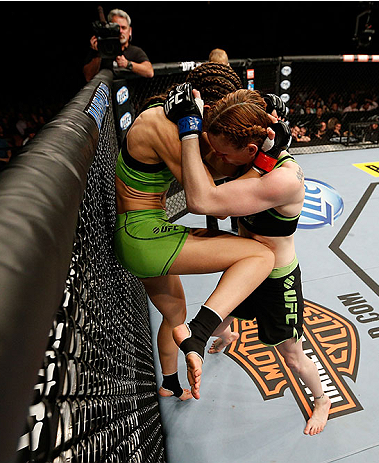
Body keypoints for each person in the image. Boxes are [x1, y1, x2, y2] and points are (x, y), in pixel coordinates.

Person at [165, 86, 331, 435]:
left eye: (226, 154)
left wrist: (189, 128)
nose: (220, 159)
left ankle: (321, 399)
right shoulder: (256, 154)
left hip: (277, 277)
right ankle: (226, 337)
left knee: (291, 353)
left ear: (252, 149)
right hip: (246, 264)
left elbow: (201, 201)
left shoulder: (283, 179)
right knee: (223, 315)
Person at [113, 63, 274, 402]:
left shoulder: (171, 116)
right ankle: (199, 335)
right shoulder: (163, 125)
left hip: (142, 231)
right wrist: (264, 160)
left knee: (174, 315)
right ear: (208, 106)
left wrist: (256, 124)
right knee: (261, 255)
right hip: (143, 235)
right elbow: (211, 198)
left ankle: (169, 384)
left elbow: (215, 162)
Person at [83, 8, 154, 81]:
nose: (120, 31)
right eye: (116, 27)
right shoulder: (98, 51)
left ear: (130, 31)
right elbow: (88, 77)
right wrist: (98, 53)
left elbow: (149, 72)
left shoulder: (135, 51)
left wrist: (127, 64)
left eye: (123, 28)